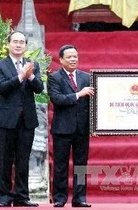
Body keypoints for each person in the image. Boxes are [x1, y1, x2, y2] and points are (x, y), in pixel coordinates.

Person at [0, 31, 44, 207]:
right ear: (8, 44)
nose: (18, 45)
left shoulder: (33, 65)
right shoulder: (0, 65)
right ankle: (4, 196)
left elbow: (39, 88)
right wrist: (20, 76)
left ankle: (22, 197)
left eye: (22, 42)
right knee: (4, 160)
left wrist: (30, 76)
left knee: (23, 160)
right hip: (6, 120)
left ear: (25, 45)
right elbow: (1, 88)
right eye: (15, 41)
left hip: (26, 121)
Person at [47, 45, 94, 208]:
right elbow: (57, 99)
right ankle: (59, 197)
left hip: (82, 128)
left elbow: (94, 103)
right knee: (61, 165)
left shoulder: (87, 77)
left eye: (75, 56)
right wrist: (78, 94)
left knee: (81, 165)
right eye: (69, 57)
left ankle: (79, 198)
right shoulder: (55, 78)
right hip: (62, 129)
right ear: (61, 60)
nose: (73, 59)